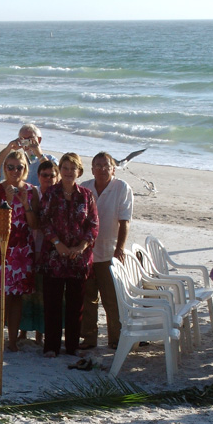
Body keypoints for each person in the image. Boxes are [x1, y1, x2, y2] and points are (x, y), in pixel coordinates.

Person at [31, 151, 99, 358]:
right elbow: (44, 221)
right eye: (65, 168)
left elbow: (93, 225)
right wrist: (58, 244)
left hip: (79, 258)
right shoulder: (51, 193)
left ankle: (72, 346)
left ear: (79, 171)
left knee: (75, 304)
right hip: (54, 256)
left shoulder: (86, 195)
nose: (69, 172)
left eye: (73, 169)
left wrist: (81, 247)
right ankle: (51, 346)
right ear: (60, 170)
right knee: (52, 303)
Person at [76, 151, 134, 361]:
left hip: (109, 251)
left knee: (111, 299)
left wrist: (120, 248)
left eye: (105, 165)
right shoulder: (85, 187)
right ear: (92, 169)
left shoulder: (121, 188)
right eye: (97, 165)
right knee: (88, 297)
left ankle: (116, 338)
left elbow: (124, 221)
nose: (101, 169)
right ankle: (89, 337)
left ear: (113, 168)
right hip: (88, 252)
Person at [0, 150, 38, 354]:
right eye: (11, 167)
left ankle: (13, 340)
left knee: (18, 296)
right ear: (4, 168)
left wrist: (25, 204)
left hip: (23, 248)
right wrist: (6, 200)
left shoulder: (32, 191)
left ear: (25, 169)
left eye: (20, 167)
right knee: (2, 295)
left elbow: (35, 224)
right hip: (3, 246)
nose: (15, 171)